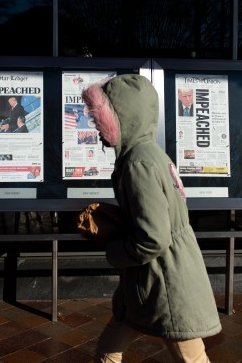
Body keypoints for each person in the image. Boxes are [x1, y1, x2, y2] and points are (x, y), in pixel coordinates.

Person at [82, 74, 221, 362]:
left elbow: (153, 237)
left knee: (191, 357)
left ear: (120, 117)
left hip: (165, 279)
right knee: (110, 347)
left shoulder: (138, 163)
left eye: (100, 116)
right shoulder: (150, 155)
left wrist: (114, 251)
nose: (95, 124)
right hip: (157, 276)